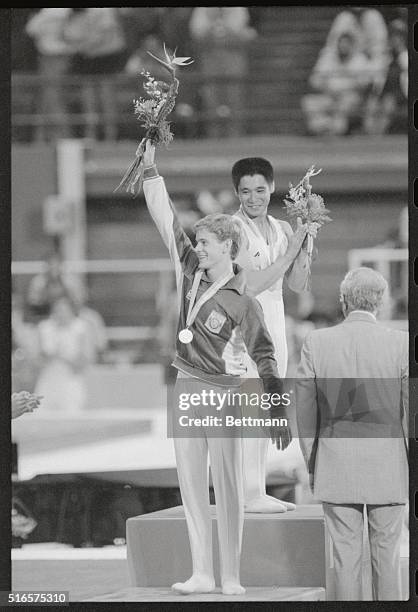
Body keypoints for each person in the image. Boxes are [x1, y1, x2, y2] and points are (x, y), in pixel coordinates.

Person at [142, 140, 291, 595]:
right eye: (198, 243)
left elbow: (266, 357)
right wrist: (151, 171)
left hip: (224, 395)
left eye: (205, 243)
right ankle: (202, 572)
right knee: (191, 487)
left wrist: (278, 408)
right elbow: (167, 221)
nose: (198, 248)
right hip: (187, 389)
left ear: (228, 246)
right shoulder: (188, 271)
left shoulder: (244, 301)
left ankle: (230, 575)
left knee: (227, 490)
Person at [296, 267, 408, 600]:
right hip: (389, 468)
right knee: (386, 561)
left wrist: (313, 461)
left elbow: (305, 413)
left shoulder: (317, 342)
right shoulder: (402, 343)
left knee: (345, 561)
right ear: (381, 302)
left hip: (336, 464)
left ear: (343, 301)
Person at [232, 156, 317, 513]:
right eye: (246, 191)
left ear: (272, 189)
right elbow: (251, 284)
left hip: (277, 327)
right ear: (236, 192)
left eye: (260, 190)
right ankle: (246, 491)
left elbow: (296, 285)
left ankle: (256, 488)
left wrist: (305, 246)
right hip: (245, 329)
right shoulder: (232, 228)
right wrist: (289, 253)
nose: (254, 198)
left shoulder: (282, 229)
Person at [189, 7, 256, 137]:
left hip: (233, 58)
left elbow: (241, 32)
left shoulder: (238, 9)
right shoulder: (202, 9)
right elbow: (196, 33)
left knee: (235, 98)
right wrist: (213, 26)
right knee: (211, 99)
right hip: (210, 59)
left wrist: (223, 26)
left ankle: (235, 137)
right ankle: (214, 137)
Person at [302, 31, 372, 136]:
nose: (343, 46)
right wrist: (327, 89)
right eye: (341, 43)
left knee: (344, 107)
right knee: (308, 102)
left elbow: (365, 83)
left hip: (349, 97)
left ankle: (333, 130)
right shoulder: (327, 58)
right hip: (329, 95)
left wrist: (344, 91)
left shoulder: (360, 59)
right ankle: (325, 128)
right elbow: (314, 80)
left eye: (346, 43)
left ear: (352, 45)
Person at [34, 295, 93, 413]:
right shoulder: (44, 328)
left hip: (70, 382)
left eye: (64, 310)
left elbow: (86, 360)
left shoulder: (81, 328)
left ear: (71, 311)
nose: (60, 314)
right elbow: (36, 360)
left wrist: (63, 357)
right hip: (47, 382)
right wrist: (49, 357)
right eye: (57, 310)